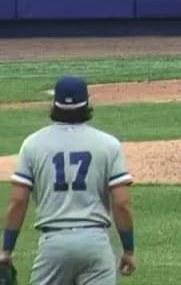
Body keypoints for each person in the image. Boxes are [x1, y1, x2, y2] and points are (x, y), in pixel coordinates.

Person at [0, 76, 137, 283]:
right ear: (88, 104)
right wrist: (128, 250)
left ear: (54, 104)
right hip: (95, 244)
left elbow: (18, 201)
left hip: (53, 243)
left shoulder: (32, 144)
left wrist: (6, 250)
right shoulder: (108, 144)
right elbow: (121, 203)